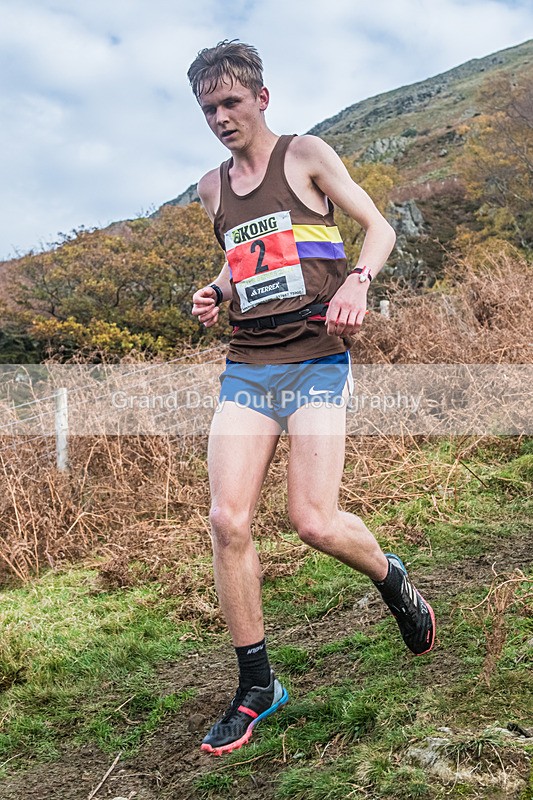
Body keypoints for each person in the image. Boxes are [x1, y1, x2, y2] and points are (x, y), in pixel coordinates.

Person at [188, 40, 435, 757]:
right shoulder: (211, 187)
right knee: (226, 521)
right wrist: (215, 292)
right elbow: (244, 265)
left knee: (313, 521)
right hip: (248, 365)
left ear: (260, 99)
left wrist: (358, 281)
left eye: (230, 102)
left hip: (315, 361)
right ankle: (257, 686)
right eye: (208, 108)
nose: (220, 117)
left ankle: (392, 578)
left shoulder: (305, 155)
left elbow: (378, 228)